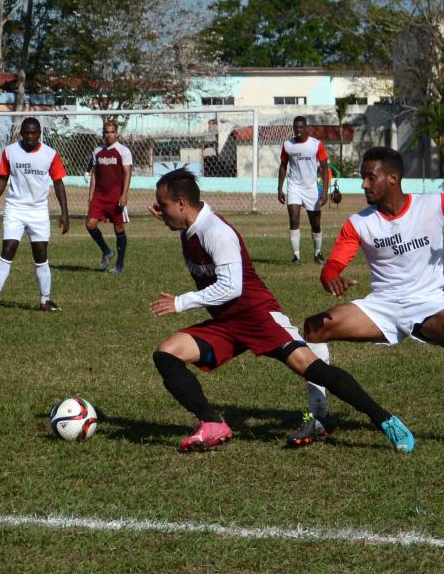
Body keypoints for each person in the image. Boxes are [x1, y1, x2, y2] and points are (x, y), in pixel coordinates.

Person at [149, 167, 413, 453]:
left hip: (258, 317)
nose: (160, 213)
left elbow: (231, 288)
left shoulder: (216, 232)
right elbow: (216, 283)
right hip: (226, 322)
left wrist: (180, 302)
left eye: (163, 206)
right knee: (167, 355)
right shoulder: (190, 228)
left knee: (313, 369)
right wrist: (168, 217)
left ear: (181, 203)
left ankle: (385, 419)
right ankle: (212, 424)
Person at [295, 146, 441, 448]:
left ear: (392, 178)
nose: (363, 184)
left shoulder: (434, 205)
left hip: (428, 301)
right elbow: (332, 266)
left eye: (369, 178)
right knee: (314, 328)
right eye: (362, 178)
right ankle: (319, 416)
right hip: (382, 306)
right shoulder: (360, 222)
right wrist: (330, 277)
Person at [0, 117, 69, 313]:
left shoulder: (50, 155)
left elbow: (58, 183)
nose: (30, 136)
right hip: (15, 208)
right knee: (8, 248)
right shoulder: (10, 152)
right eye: (27, 133)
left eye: (34, 133)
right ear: (21, 133)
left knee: (41, 254)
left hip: (38, 211)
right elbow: (2, 179)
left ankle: (45, 300)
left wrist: (64, 213)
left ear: (39, 134)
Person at [278, 116, 330, 265]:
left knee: (316, 223)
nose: (298, 130)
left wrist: (325, 192)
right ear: (293, 128)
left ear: (306, 128)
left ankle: (318, 253)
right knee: (294, 219)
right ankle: (296, 256)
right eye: (296, 127)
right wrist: (280, 189)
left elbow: (325, 169)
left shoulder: (316, 145)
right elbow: (283, 166)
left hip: (311, 188)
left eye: (301, 127)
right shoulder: (288, 145)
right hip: (294, 186)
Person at [86, 119, 132, 274]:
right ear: (103, 133)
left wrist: (124, 194)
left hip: (115, 196)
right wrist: (91, 195)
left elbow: (127, 173)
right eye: (106, 132)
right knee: (90, 224)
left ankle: (119, 265)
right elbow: (94, 174)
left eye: (112, 132)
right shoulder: (97, 151)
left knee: (118, 228)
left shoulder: (123, 151)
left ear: (117, 133)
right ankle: (107, 251)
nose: (109, 135)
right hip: (99, 195)